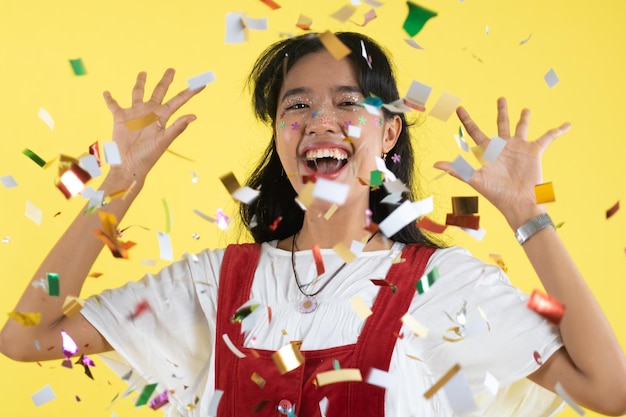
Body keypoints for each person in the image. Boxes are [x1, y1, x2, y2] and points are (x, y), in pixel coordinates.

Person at [1, 31, 625, 417]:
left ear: (387, 133)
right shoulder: (216, 284)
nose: (320, 121)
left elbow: (609, 390)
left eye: (348, 104)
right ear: (279, 137)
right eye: (296, 106)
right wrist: (116, 184)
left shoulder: (444, 286)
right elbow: (27, 337)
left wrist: (527, 212)